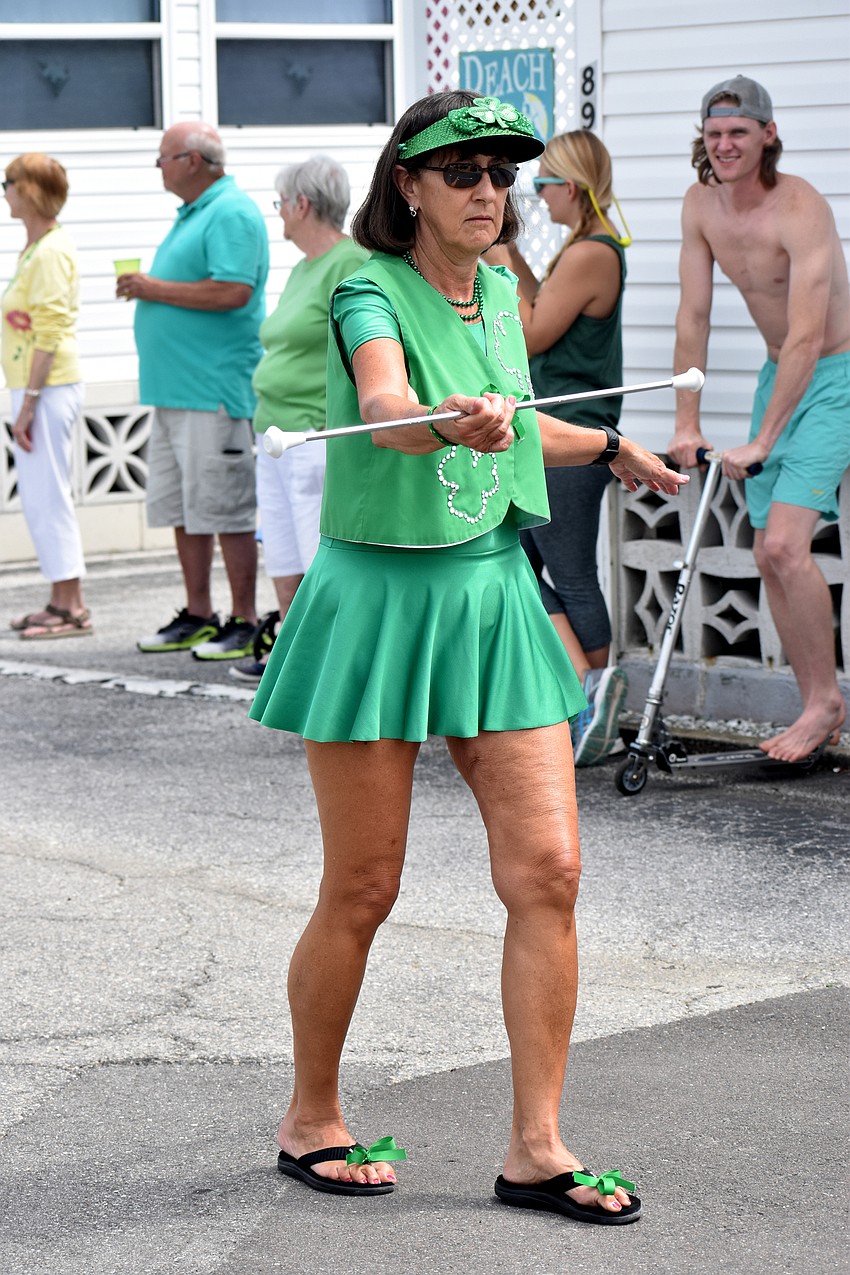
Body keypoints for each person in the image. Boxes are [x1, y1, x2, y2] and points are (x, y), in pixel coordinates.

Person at [250, 91, 688, 1222]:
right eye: (463, 172)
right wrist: (439, 422)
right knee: (363, 884)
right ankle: (311, 1119)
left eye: (501, 172)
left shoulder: (498, 288)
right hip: (381, 600)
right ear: (408, 183)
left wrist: (608, 443)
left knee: (549, 871)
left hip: (491, 591)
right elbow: (392, 400)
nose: (488, 191)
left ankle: (536, 1148)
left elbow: (514, 411)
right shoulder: (364, 284)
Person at [669, 75, 850, 763]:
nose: (724, 145)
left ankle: (823, 700)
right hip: (781, 375)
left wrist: (764, 439)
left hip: (836, 373)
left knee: (782, 546)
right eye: (714, 134)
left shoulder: (800, 206)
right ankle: (819, 702)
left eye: (738, 132)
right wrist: (687, 420)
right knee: (765, 551)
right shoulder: (700, 205)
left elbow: (808, 337)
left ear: (767, 134)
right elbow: (694, 315)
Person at [485, 129, 632, 766]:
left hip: (574, 429)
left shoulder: (593, 253)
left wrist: (493, 273)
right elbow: (541, 302)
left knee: (568, 572)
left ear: (570, 187)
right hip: (551, 425)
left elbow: (535, 332)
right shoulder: (580, 249)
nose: (536, 196)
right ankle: (581, 693)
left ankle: (597, 701)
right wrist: (510, 253)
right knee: (515, 558)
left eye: (542, 185)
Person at [122, 121, 270, 661]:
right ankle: (199, 613)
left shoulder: (230, 211)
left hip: (214, 391)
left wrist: (151, 288)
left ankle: (244, 618)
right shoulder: (195, 213)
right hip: (175, 391)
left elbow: (234, 291)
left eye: (163, 158)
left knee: (226, 508)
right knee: (186, 507)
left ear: (191, 160)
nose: (158, 167)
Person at [230, 155, 368, 685]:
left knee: (319, 554)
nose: (279, 213)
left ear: (302, 204)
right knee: (284, 548)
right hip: (273, 433)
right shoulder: (303, 266)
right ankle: (295, 653)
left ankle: (332, 664)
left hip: (313, 433)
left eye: (280, 203)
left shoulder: (347, 263)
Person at [3, 153, 90, 640]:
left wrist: (30, 401)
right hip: (35, 386)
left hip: (48, 387)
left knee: (48, 494)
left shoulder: (52, 249)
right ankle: (61, 599)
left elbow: (51, 327)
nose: (5, 191)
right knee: (39, 496)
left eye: (9, 182)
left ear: (30, 190)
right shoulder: (35, 248)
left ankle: (72, 606)